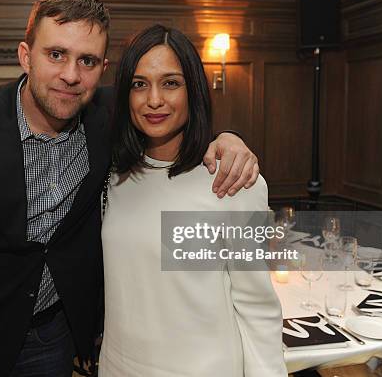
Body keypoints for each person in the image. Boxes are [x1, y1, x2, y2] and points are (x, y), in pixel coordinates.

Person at [0, 0, 260, 377]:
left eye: (86, 61)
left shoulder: (107, 117)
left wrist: (227, 139)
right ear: (25, 56)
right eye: (56, 55)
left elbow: (169, 112)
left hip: (55, 335)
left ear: (102, 68)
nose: (71, 75)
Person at [99, 24, 287, 376]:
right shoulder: (115, 176)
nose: (154, 99)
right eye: (140, 84)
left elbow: (257, 308)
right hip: (119, 367)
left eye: (171, 83)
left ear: (194, 91)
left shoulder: (233, 182)